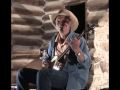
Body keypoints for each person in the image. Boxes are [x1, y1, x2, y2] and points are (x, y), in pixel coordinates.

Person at [16, 9, 91, 90]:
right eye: (58, 21)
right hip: (54, 73)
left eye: (64, 21)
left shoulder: (78, 39)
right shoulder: (53, 40)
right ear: (55, 24)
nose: (61, 24)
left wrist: (77, 49)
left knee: (43, 74)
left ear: (69, 24)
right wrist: (45, 62)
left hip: (71, 77)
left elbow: (87, 63)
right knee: (22, 73)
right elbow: (47, 57)